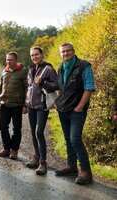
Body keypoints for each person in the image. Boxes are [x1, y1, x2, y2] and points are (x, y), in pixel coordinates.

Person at [54, 42, 95, 185]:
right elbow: (61, 88)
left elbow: (89, 88)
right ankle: (71, 167)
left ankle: (86, 172)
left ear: (73, 51)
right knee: (68, 139)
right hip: (63, 109)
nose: (65, 53)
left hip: (77, 110)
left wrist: (80, 106)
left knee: (75, 139)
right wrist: (57, 103)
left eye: (68, 51)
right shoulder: (61, 68)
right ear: (60, 54)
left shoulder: (84, 66)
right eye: (63, 51)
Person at [25, 46, 58, 175]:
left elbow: (57, 85)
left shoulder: (48, 69)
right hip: (31, 105)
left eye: (36, 54)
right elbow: (29, 87)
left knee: (39, 132)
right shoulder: (31, 69)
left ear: (42, 55)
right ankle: (36, 158)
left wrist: (43, 82)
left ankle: (43, 163)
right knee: (33, 132)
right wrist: (25, 103)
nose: (34, 57)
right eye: (32, 55)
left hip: (42, 106)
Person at [0, 52, 28, 159]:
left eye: (11, 60)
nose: (8, 62)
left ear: (16, 60)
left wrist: (25, 105)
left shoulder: (23, 72)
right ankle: (6, 148)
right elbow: (1, 88)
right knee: (3, 127)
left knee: (17, 128)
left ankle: (14, 150)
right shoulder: (4, 72)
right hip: (4, 104)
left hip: (17, 105)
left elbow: (27, 89)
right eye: (7, 60)